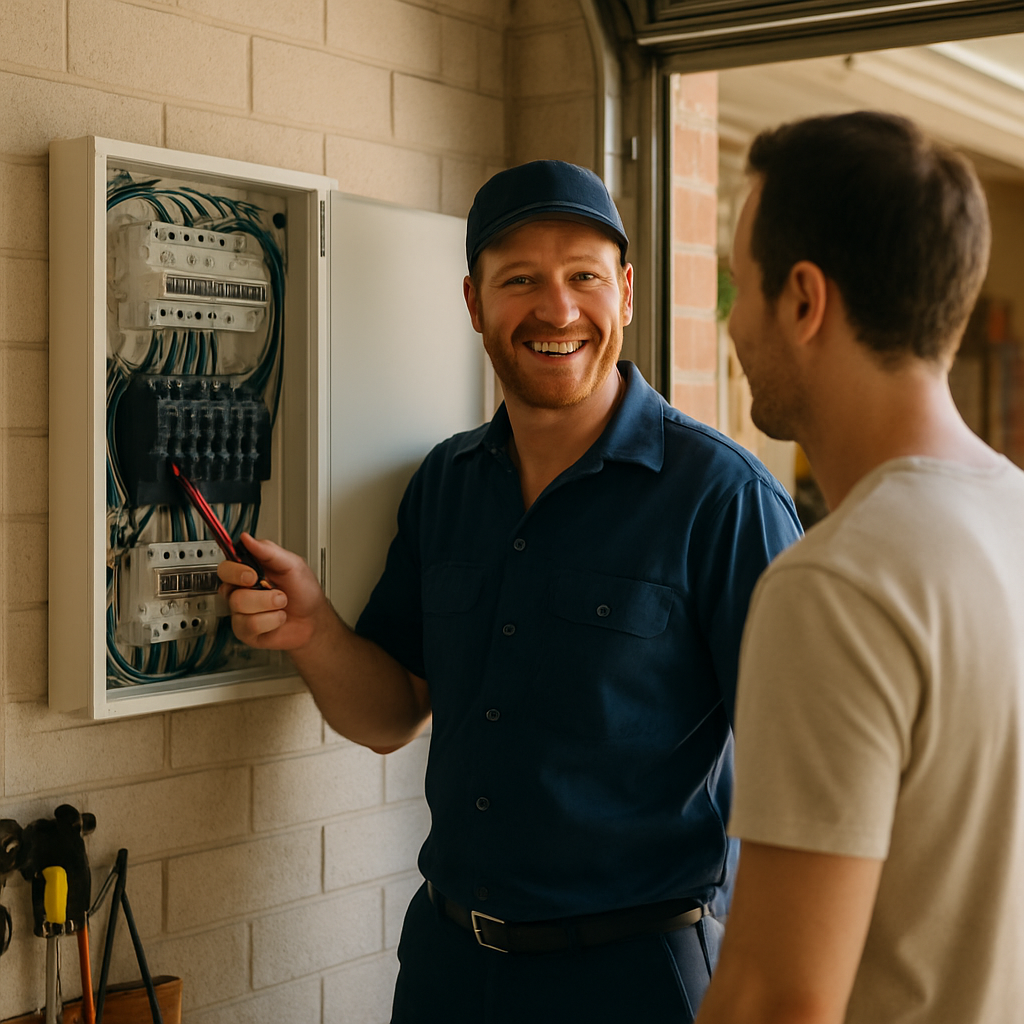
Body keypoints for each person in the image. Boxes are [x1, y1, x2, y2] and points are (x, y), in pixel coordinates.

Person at [220, 160, 801, 1023]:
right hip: (449, 969)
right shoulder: (444, 486)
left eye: (583, 278)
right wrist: (312, 629)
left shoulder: (723, 499)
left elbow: (802, 777)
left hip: (635, 982)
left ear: (628, 293)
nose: (557, 310)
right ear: (474, 304)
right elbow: (391, 714)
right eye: (520, 280)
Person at [695, 112, 1024, 1024]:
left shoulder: (837, 589)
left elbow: (775, 999)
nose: (734, 324)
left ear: (804, 300)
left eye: (740, 289)